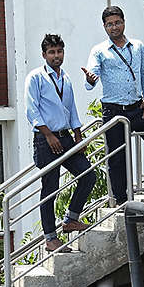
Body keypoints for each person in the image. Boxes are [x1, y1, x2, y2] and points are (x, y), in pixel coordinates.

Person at [82, 6, 144, 206]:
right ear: (104, 27)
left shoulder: (137, 46)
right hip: (114, 110)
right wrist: (91, 79)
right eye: (109, 24)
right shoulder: (99, 51)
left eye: (117, 22)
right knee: (117, 156)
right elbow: (91, 77)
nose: (114, 27)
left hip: (137, 107)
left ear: (124, 22)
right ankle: (121, 198)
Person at [25, 34, 96, 252]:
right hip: (46, 140)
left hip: (65, 137)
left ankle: (71, 219)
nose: (56, 56)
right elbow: (31, 110)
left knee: (88, 174)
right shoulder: (36, 77)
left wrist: (78, 135)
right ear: (44, 55)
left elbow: (71, 108)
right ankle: (50, 237)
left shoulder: (65, 77)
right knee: (50, 187)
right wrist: (47, 134)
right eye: (52, 52)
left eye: (59, 51)